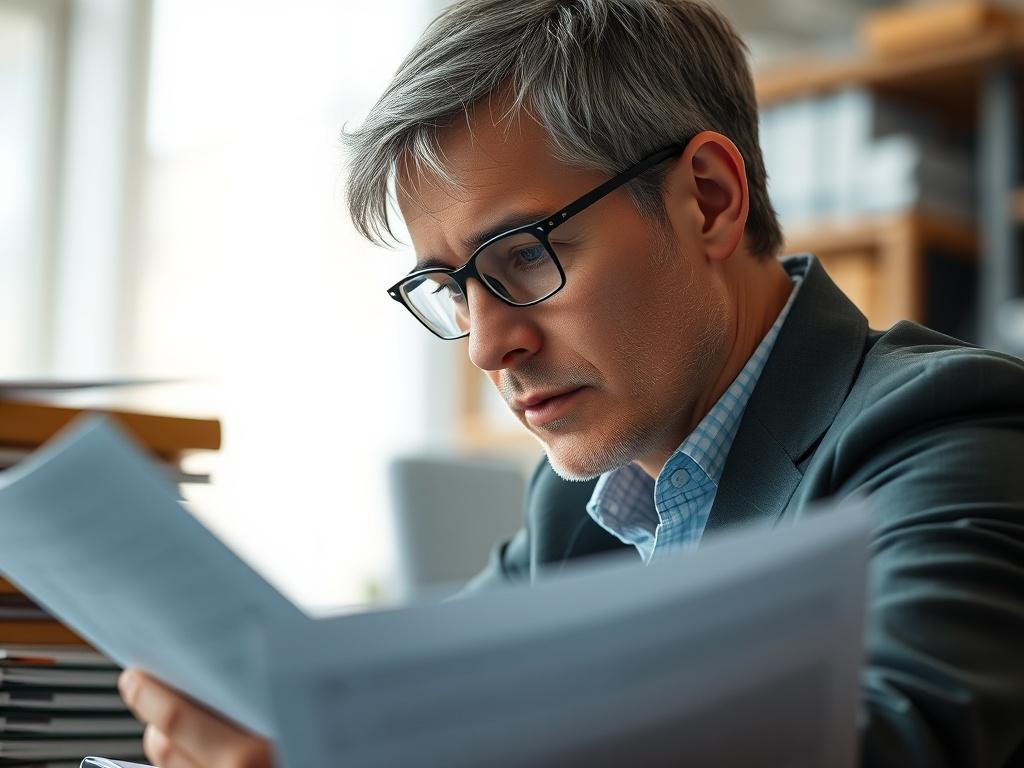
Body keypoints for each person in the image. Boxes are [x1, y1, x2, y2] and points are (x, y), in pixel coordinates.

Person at [118, 0, 1024, 765]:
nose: (485, 347)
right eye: (449, 288)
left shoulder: (947, 430)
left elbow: (899, 741)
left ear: (707, 197)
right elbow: (414, 702)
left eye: (521, 254)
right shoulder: (583, 503)